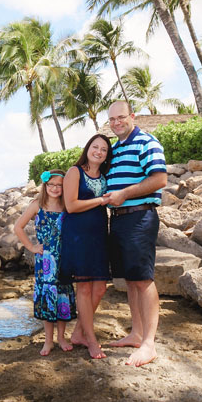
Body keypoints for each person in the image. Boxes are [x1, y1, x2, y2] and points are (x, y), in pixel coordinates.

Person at [104, 100, 167, 367]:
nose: (116, 123)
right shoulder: (115, 148)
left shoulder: (146, 142)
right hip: (118, 220)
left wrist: (124, 194)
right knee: (130, 280)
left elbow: (159, 179)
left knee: (143, 279)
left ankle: (149, 344)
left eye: (121, 118)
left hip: (140, 216)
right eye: (112, 120)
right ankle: (136, 332)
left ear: (132, 116)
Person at [59, 134, 113, 360]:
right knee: (84, 288)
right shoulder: (75, 172)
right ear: (87, 148)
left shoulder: (105, 175)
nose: (99, 151)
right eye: (95, 147)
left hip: (99, 235)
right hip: (78, 235)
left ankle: (79, 332)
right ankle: (91, 340)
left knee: (100, 289)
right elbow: (70, 206)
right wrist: (101, 200)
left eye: (103, 149)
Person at [13, 169, 77, 356]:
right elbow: (18, 227)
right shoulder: (37, 205)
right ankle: (48, 341)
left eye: (59, 185)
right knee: (48, 298)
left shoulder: (67, 206)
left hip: (64, 257)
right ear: (45, 186)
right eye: (52, 184)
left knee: (63, 297)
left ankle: (62, 337)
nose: (55, 188)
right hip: (46, 261)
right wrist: (32, 247)